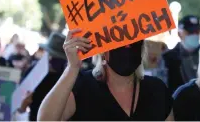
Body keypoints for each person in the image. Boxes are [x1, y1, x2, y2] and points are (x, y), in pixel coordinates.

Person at [37, 28, 173, 121]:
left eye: (133, 44)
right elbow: (46, 120)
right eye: (119, 44)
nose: (127, 51)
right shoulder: (82, 86)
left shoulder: (157, 90)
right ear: (103, 51)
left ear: (142, 49)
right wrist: (73, 67)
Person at [15, 32, 67, 121]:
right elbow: (20, 104)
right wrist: (24, 102)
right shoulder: (35, 71)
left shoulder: (66, 77)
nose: (50, 58)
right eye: (49, 54)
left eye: (56, 57)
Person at [158, 15, 200, 94]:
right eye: (190, 32)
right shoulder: (168, 58)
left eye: (197, 32)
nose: (194, 35)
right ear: (179, 34)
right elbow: (162, 87)